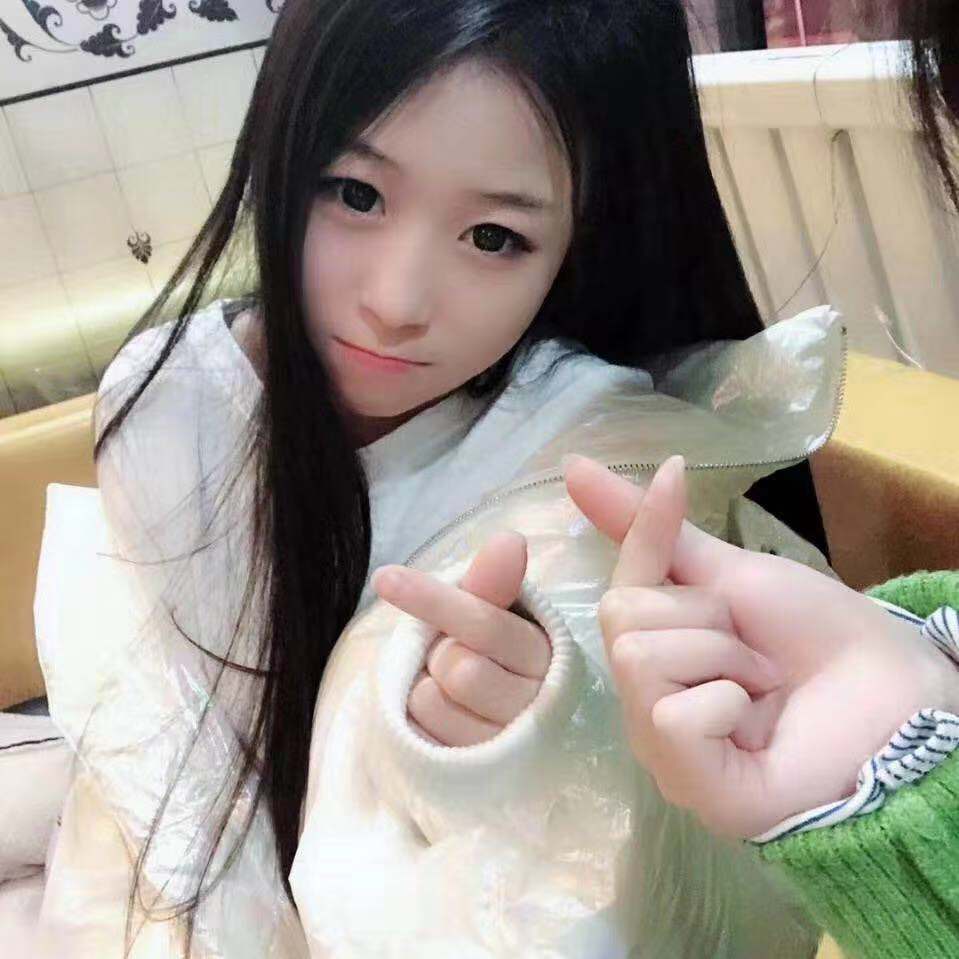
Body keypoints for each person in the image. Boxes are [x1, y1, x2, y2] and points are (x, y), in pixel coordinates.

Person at [3, 1, 955, 957]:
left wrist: (511, 752)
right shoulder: (177, 398)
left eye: (494, 238)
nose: (394, 302)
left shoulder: (591, 471)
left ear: (582, 240)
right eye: (354, 193)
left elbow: (638, 884)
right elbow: (191, 741)